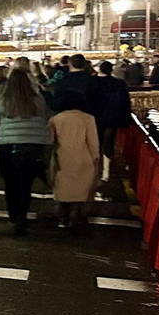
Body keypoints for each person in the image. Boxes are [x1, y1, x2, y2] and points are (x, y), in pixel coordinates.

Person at [0, 67, 52, 234]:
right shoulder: (37, 100)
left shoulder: (4, 100)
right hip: (32, 144)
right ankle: (22, 215)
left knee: (10, 184)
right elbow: (45, 116)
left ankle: (14, 216)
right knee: (26, 184)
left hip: (9, 144)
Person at [50, 93, 101, 229]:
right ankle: (76, 217)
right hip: (83, 160)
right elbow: (93, 143)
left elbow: (51, 141)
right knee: (80, 192)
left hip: (62, 159)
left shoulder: (55, 119)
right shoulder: (88, 119)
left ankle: (62, 218)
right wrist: (95, 159)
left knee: (62, 190)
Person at [87, 60, 133, 180]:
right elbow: (125, 103)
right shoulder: (119, 84)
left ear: (100, 69)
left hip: (95, 118)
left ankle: (95, 170)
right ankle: (106, 172)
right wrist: (126, 119)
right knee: (108, 143)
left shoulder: (92, 83)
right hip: (112, 118)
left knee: (95, 144)